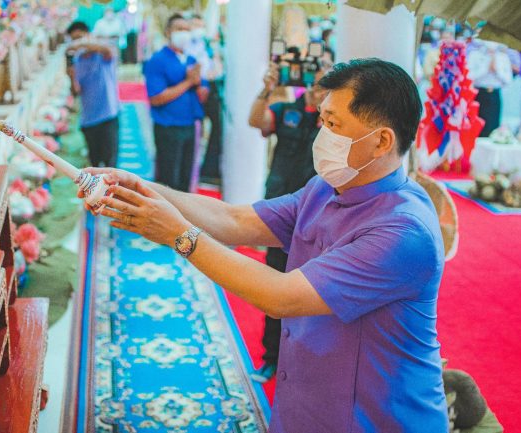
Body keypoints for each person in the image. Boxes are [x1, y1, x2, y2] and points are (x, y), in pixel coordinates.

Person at [84, 58, 449, 432]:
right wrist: (141, 187)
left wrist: (178, 234)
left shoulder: (404, 231)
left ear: (381, 141)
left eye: (334, 125)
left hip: (371, 418)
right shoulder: (326, 188)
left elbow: (281, 296)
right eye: (322, 119)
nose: (321, 134)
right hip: (306, 405)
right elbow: (235, 220)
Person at [246, 63, 327, 383]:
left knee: (311, 291)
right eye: (317, 82)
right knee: (275, 285)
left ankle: (306, 361)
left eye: (327, 85)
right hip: (281, 211)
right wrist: (266, 88)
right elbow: (256, 121)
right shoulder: (287, 110)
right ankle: (272, 358)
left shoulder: (335, 122)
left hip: (319, 215)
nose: (320, 90)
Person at [143, 13, 208, 192]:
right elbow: (156, 98)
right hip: (168, 127)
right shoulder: (157, 61)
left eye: (187, 29)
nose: (184, 33)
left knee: (185, 179)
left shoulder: (191, 60)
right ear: (168, 32)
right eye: (179, 29)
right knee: (167, 180)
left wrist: (201, 87)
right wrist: (187, 82)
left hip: (189, 125)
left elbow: (202, 94)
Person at [66, 21, 120, 168]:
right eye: (74, 39)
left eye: (80, 38)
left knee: (110, 164)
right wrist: (71, 76)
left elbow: (110, 50)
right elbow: (76, 91)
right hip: (89, 120)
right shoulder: (76, 61)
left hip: (108, 116)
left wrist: (84, 43)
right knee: (94, 163)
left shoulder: (102, 55)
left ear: (89, 36)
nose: (78, 43)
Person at [187, 14, 223, 185]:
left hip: (209, 88)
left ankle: (208, 169)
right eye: (195, 25)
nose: (198, 29)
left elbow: (215, 68)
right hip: (193, 91)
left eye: (200, 25)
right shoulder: (186, 47)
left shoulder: (206, 45)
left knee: (217, 127)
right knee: (195, 132)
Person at [467, 40, 513, 137]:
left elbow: (508, 80)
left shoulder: (503, 57)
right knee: (477, 125)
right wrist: (485, 68)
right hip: (479, 93)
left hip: (494, 93)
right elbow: (469, 76)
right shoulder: (475, 54)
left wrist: (497, 70)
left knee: (493, 125)